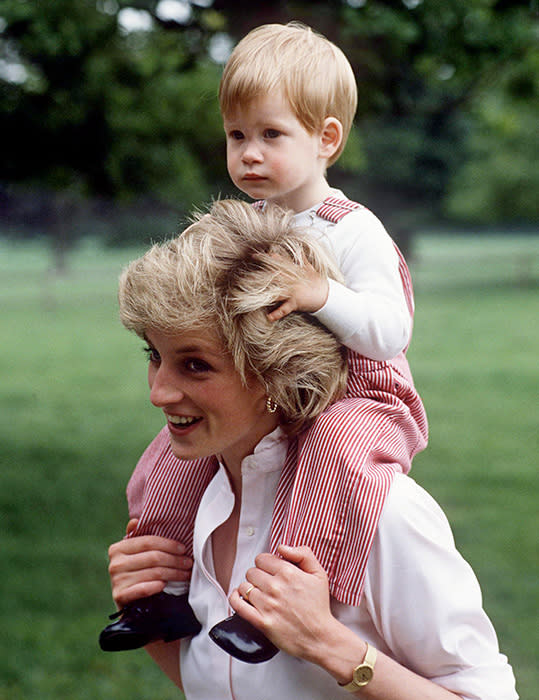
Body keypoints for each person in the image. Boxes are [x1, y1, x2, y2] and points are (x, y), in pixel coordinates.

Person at [99, 21, 429, 660]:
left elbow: (391, 332)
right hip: (263, 385)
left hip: (359, 393)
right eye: (236, 136)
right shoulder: (246, 220)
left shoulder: (350, 227)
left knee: (334, 461)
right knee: (167, 462)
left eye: (270, 135)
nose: (248, 153)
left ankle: (280, 600)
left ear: (325, 138)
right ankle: (160, 591)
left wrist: (320, 295)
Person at [105, 199, 518, 699]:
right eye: (155, 356)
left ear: (277, 370)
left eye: (195, 365)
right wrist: (150, 611)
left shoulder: (384, 513)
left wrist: (329, 644)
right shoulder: (193, 502)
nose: (158, 392)